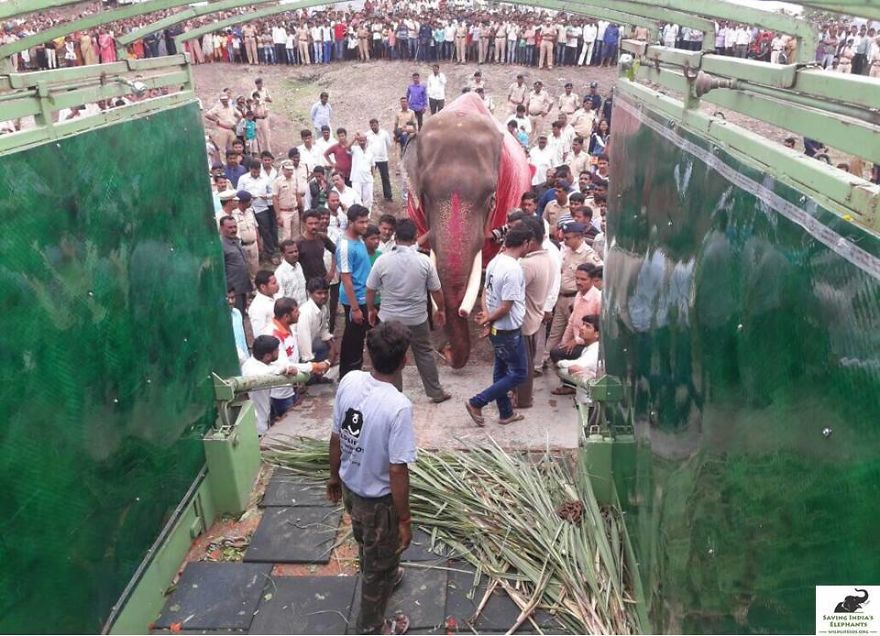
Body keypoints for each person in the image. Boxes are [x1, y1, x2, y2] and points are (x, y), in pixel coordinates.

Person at [327, 320, 415, 636]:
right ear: (405, 360)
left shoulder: (349, 380)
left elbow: (337, 436)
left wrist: (334, 478)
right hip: (379, 504)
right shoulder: (398, 407)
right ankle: (372, 626)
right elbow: (397, 470)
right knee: (378, 564)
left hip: (350, 487)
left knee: (367, 540)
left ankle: (386, 573)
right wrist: (404, 518)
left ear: (368, 353)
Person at [366, 218, 450, 402]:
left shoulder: (382, 261)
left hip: (389, 319)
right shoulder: (424, 262)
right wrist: (441, 310)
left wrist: (371, 309)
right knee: (425, 353)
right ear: (415, 237)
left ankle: (394, 395)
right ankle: (435, 393)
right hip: (417, 319)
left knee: (391, 356)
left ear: (395, 237)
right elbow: (436, 290)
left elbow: (370, 288)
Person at [464, 227, 531, 427]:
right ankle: (477, 402)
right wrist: (489, 319)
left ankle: (506, 413)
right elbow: (506, 306)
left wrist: (487, 316)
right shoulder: (512, 269)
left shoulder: (495, 261)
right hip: (508, 330)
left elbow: (486, 293)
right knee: (519, 372)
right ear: (525, 243)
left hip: (497, 328)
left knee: (500, 370)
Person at [512, 216, 554, 409]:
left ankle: (522, 400)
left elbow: (510, 293)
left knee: (522, 364)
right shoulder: (547, 257)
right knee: (525, 362)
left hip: (523, 321)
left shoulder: (527, 265)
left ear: (529, 240)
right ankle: (522, 397)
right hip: (534, 317)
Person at [267, 297, 332, 411]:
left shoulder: (287, 328)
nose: (299, 313)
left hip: (291, 385)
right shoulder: (274, 335)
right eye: (296, 311)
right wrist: (314, 366)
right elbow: (285, 365)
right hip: (281, 390)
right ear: (286, 316)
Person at [550, 263, 601, 394]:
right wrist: (565, 341)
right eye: (577, 278)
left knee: (558, 354)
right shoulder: (579, 295)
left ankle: (572, 384)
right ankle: (570, 383)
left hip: (591, 343)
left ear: (592, 280)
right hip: (579, 338)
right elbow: (572, 321)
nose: (578, 282)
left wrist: (576, 341)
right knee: (558, 350)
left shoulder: (597, 298)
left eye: (583, 279)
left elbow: (597, 328)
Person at [337, 205, 373, 378]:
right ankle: (348, 375)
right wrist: (356, 308)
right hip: (355, 300)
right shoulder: (345, 246)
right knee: (353, 340)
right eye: (361, 222)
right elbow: (346, 279)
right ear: (351, 222)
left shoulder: (358, 239)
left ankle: (355, 372)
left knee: (359, 339)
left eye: (367, 221)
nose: (365, 226)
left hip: (363, 297)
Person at [241, 334, 299, 435]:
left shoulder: (258, 363)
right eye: (277, 351)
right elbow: (272, 371)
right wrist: (286, 369)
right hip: (257, 426)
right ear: (267, 356)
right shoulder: (253, 370)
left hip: (263, 419)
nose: (279, 352)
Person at [556, 314, 601, 403]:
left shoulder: (595, 350)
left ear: (597, 334)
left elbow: (577, 365)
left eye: (588, 326)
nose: (582, 328)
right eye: (583, 324)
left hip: (589, 401)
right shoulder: (589, 347)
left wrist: (559, 363)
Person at [237, 161, 276, 262]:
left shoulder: (265, 178)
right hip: (247, 209)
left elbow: (272, 192)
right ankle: (257, 254)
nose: (256, 174)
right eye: (254, 172)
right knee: (250, 230)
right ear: (250, 169)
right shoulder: (243, 178)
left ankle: (270, 253)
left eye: (257, 172)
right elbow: (239, 193)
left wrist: (266, 196)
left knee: (266, 231)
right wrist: (248, 197)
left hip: (261, 207)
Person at [298, 276, 336, 365]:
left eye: (326, 293)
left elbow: (324, 331)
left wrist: (333, 349)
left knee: (325, 345)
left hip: (312, 341)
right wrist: (312, 366)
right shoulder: (306, 313)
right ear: (309, 294)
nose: (323, 296)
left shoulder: (323, 308)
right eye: (319, 293)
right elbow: (304, 343)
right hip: (298, 350)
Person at [219, 216, 252, 314]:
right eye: (230, 228)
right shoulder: (221, 246)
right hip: (232, 290)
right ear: (221, 228)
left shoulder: (236, 240)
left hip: (243, 287)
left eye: (235, 227)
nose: (233, 230)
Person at [231, 191, 261, 277]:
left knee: (255, 268)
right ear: (243, 202)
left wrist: (259, 242)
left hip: (253, 244)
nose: (251, 202)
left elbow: (255, 227)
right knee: (244, 269)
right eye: (249, 201)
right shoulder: (233, 215)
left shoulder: (250, 212)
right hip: (242, 246)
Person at [366, 118, 394, 201]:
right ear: (370, 126)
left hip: (383, 159)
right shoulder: (367, 134)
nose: (373, 127)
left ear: (378, 124)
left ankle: (388, 196)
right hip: (371, 159)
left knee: (385, 177)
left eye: (375, 125)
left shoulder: (384, 133)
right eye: (371, 125)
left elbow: (389, 145)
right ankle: (369, 195)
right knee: (370, 177)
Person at [275, 239, 307, 306]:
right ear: (283, 254)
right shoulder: (280, 273)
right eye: (290, 252)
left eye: (296, 251)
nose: (295, 254)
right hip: (291, 312)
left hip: (303, 308)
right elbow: (279, 297)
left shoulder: (299, 266)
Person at [249, 268, 280, 336]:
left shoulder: (277, 296)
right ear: (263, 287)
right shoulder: (257, 307)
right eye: (273, 283)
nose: (277, 285)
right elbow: (259, 334)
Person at [350, 132, 375, 208]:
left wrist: (373, 174)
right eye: (360, 141)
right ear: (358, 141)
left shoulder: (370, 151)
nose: (362, 142)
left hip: (368, 179)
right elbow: (346, 148)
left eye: (363, 140)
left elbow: (372, 164)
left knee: (368, 199)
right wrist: (354, 139)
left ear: (366, 140)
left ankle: (367, 216)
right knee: (356, 198)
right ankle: (357, 216)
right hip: (356, 178)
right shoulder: (354, 149)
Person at [228, 287, 248, 367]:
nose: (230, 301)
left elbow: (242, 339)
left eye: (232, 298)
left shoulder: (237, 313)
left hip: (244, 360)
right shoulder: (217, 318)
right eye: (227, 298)